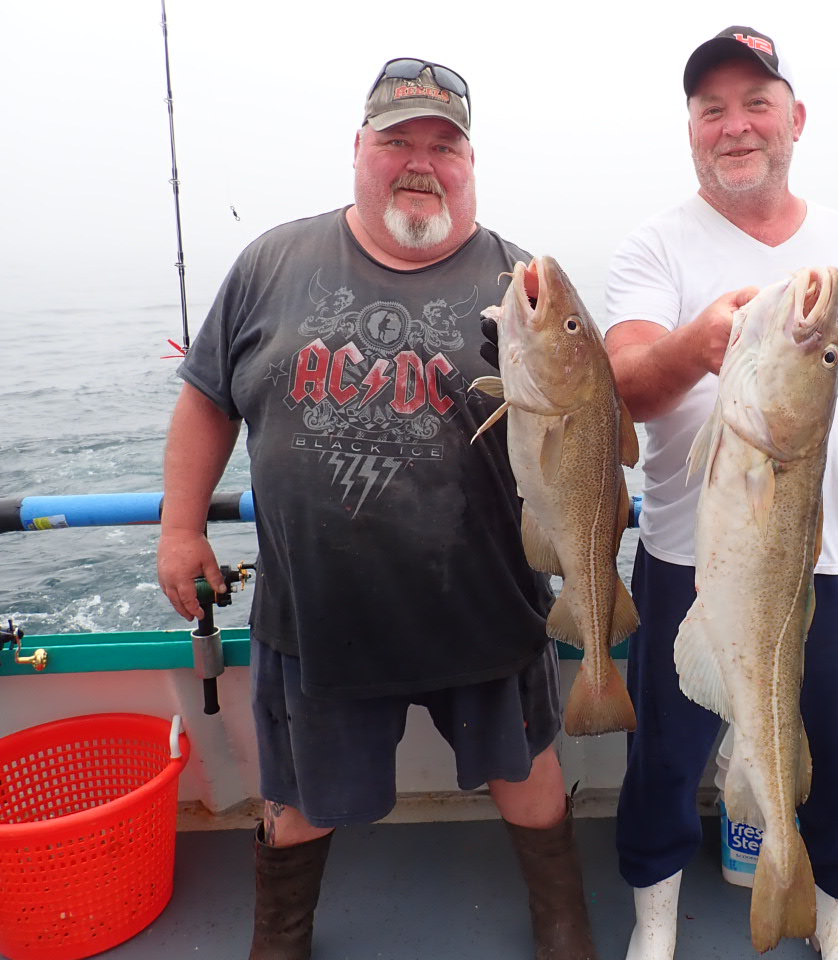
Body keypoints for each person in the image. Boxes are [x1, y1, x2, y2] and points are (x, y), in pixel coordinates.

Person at [157, 58, 598, 960]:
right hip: (319, 616)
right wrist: (178, 527)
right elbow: (207, 397)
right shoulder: (272, 262)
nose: (420, 162)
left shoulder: (529, 287)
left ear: (471, 163)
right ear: (360, 148)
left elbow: (587, 426)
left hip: (485, 605)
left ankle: (562, 917)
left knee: (528, 771)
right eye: (399, 140)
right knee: (299, 800)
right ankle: (281, 935)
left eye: (445, 144)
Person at [602, 27, 838, 960]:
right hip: (686, 560)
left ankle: (834, 914)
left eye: (756, 103)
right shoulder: (655, 246)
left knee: (835, 755)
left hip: (825, 564)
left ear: (795, 118)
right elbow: (622, 387)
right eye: (712, 109)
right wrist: (696, 346)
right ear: (692, 130)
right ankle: (654, 919)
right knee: (664, 757)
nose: (735, 125)